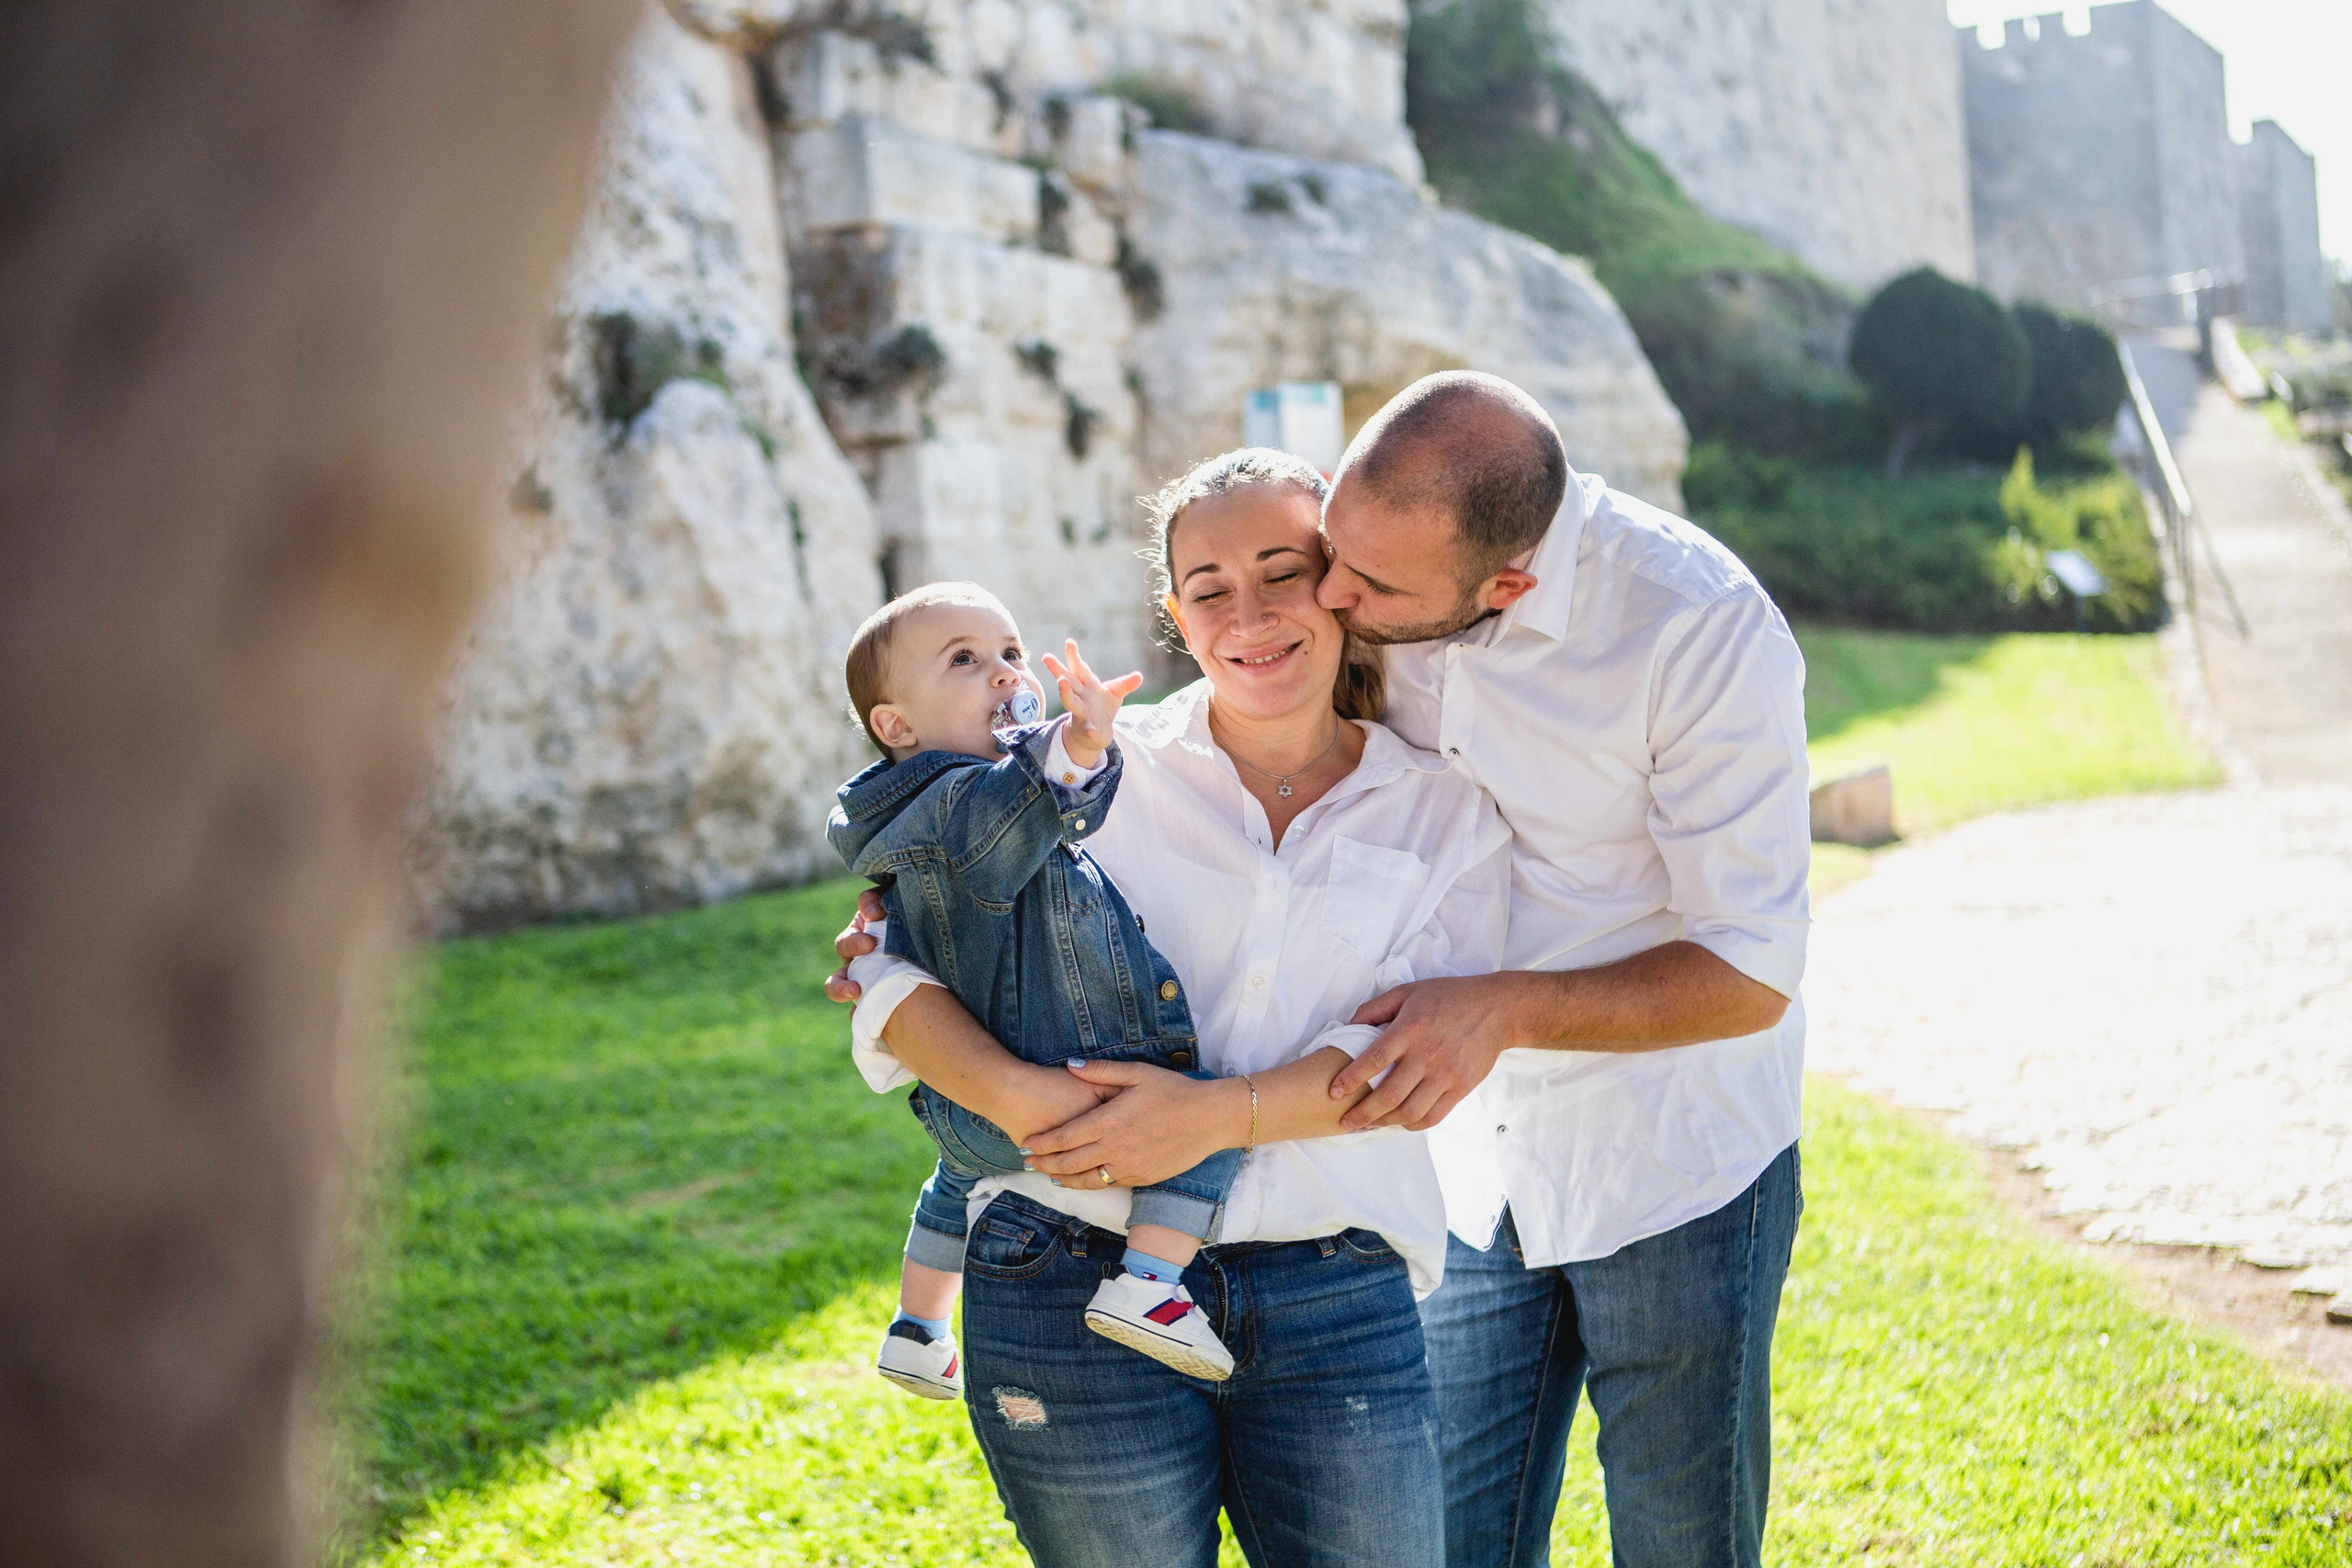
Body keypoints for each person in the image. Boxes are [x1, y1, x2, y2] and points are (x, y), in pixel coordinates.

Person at [836, 448, 1511, 1568]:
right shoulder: (1083, 780)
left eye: (1282, 571)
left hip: (1336, 1290)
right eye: (1207, 589)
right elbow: (893, 978)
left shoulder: (1443, 811)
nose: (1247, 614)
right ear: (1175, 617)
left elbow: (1416, 1061)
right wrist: (1023, 1100)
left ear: (1342, 583)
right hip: (1061, 1266)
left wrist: (1208, 1119)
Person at [1313, 372, 1812, 1568]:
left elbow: (1750, 965)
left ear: (1511, 583)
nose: (1334, 597)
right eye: (1335, 552)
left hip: (1678, 1159)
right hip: (1474, 1162)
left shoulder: (1698, 624)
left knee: (1680, 1542)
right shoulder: (1383, 583)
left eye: (1372, 586)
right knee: (1445, 1542)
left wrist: (1502, 1009)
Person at [828, 581, 1245, 1393]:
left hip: (967, 1098)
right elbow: (1016, 811)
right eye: (966, 660)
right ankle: (1150, 1284)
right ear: (897, 725)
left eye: (1012, 653)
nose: (1006, 675)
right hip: (1060, 1078)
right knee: (1208, 1122)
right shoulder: (957, 801)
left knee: (958, 1172)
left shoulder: (902, 822)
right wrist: (1081, 742)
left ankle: (917, 1327)